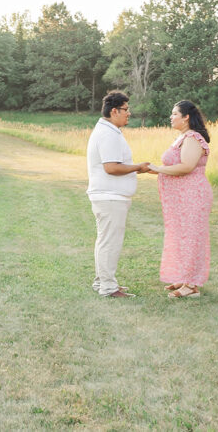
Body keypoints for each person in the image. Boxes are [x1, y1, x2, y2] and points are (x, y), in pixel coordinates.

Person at [86, 91, 150, 298]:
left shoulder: (109, 131)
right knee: (110, 243)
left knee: (105, 241)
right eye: (125, 109)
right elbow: (111, 167)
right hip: (109, 196)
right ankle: (108, 287)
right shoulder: (107, 133)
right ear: (114, 111)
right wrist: (137, 167)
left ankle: (102, 282)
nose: (129, 113)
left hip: (109, 196)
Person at [148, 100, 213, 299]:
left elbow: (187, 166)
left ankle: (192, 285)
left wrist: (157, 169)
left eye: (175, 114)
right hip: (181, 198)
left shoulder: (193, 137)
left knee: (191, 237)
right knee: (179, 235)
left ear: (186, 117)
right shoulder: (181, 137)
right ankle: (184, 277)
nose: (171, 117)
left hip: (192, 195)